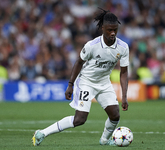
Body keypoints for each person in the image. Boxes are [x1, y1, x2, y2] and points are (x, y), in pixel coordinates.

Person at [32, 8, 129, 146]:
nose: (112, 33)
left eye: (115, 29)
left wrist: (124, 96)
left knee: (115, 115)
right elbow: (78, 62)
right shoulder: (91, 46)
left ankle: (104, 140)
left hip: (104, 82)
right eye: (109, 30)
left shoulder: (123, 47)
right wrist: (70, 84)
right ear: (102, 28)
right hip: (86, 82)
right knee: (80, 119)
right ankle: (41, 133)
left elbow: (124, 72)